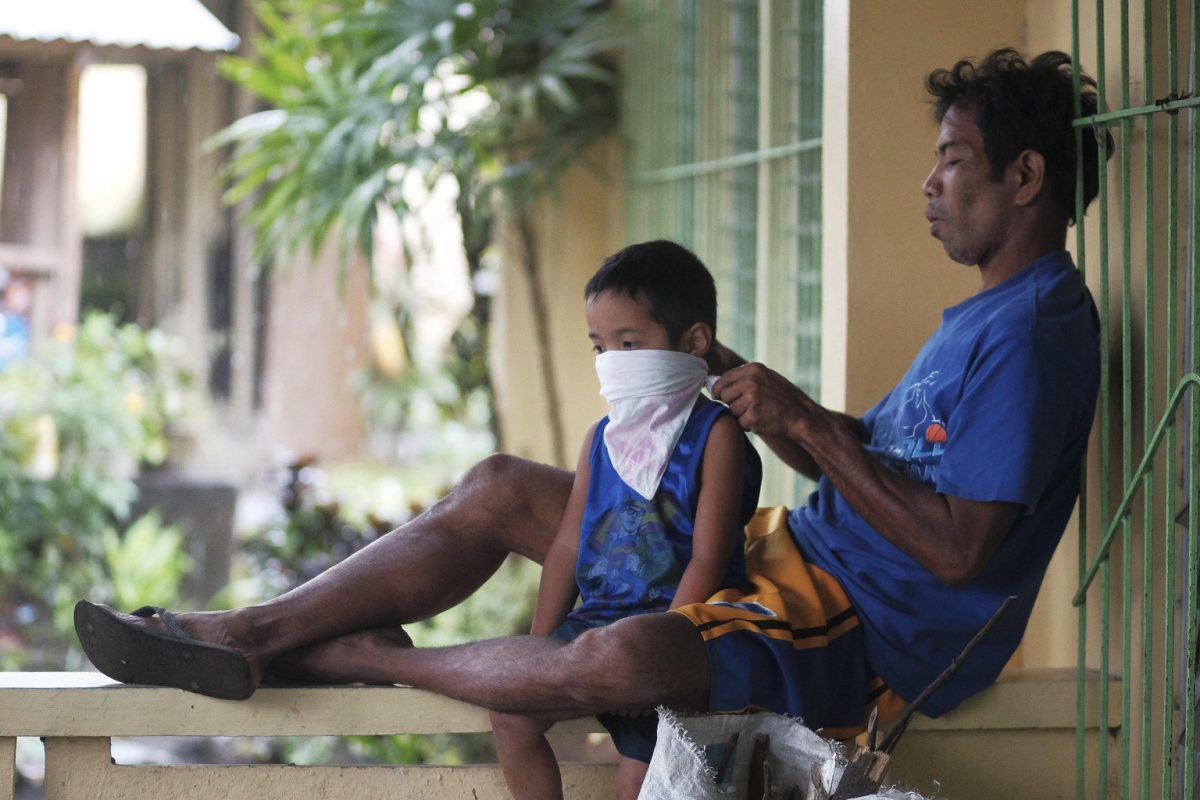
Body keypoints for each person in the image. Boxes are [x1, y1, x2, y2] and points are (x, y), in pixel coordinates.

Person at [75, 46, 1106, 786]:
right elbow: (882, 467)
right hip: (800, 561)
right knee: (498, 488)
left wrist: (810, 424)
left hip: (857, 631)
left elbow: (961, 551)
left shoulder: (1038, 331)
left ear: (1025, 177)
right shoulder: (987, 316)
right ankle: (249, 631)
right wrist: (740, 381)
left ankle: (358, 654)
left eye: (952, 159)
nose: (928, 182)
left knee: (618, 658)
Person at [489, 242, 761, 798]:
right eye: (600, 347)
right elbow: (568, 546)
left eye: (629, 344)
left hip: (676, 633)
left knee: (636, 784)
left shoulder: (717, 436)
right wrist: (541, 649)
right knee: (511, 716)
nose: (611, 361)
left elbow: (710, 558)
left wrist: (658, 649)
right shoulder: (600, 438)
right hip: (599, 622)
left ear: (694, 342)